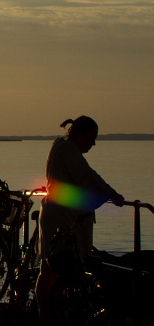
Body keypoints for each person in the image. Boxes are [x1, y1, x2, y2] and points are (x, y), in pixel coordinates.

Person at [35, 116, 124, 325]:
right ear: (78, 134)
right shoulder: (67, 150)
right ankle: (52, 316)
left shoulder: (61, 148)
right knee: (55, 270)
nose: (93, 144)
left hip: (55, 214)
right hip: (61, 218)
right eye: (91, 138)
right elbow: (87, 176)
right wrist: (110, 192)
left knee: (48, 270)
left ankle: (47, 317)